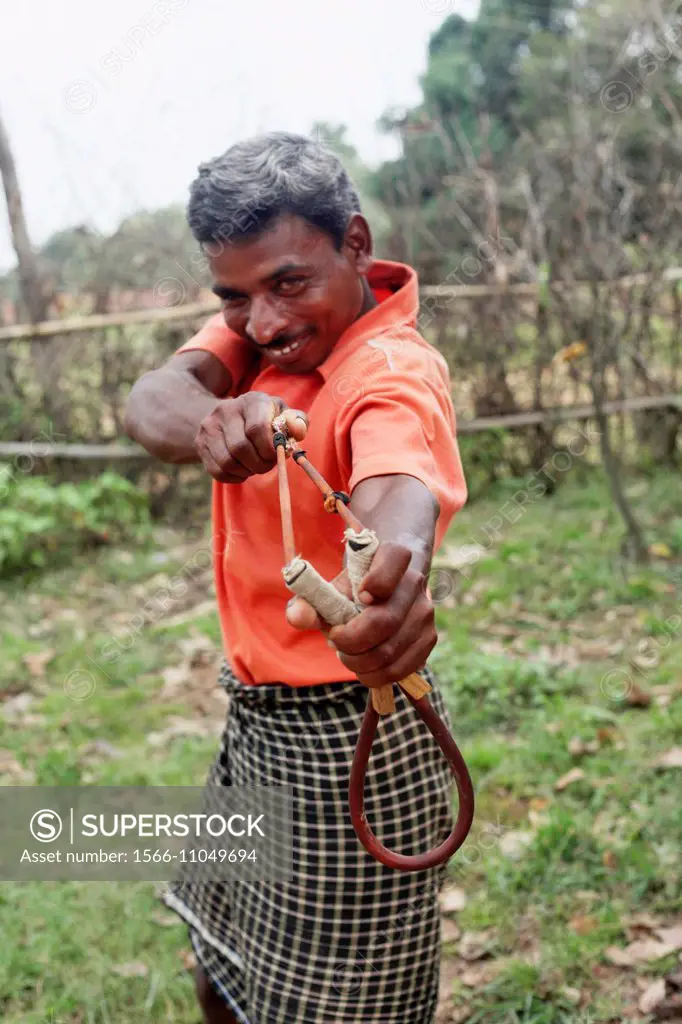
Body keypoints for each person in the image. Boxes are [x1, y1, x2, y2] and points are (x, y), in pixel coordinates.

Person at [124, 131, 467, 1024]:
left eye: (287, 284)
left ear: (354, 244)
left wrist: (397, 578)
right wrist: (217, 417)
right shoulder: (260, 341)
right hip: (257, 723)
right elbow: (151, 401)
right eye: (235, 297)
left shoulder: (386, 369)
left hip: (353, 735)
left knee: (342, 1005)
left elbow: (400, 485)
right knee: (222, 961)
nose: (265, 321)